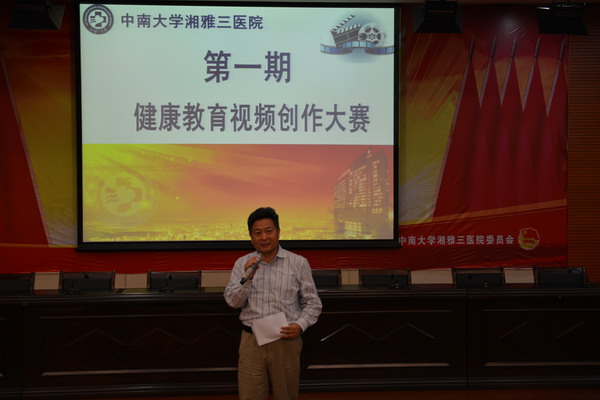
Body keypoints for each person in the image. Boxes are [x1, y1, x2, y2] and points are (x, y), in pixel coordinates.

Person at [224, 207, 322, 400]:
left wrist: (300, 325)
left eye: (269, 231)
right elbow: (233, 302)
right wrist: (248, 276)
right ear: (251, 237)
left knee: (286, 395)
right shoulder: (242, 263)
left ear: (278, 232)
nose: (264, 237)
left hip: (286, 339)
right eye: (258, 233)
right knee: (250, 395)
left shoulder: (298, 262)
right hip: (252, 341)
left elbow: (313, 302)